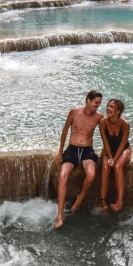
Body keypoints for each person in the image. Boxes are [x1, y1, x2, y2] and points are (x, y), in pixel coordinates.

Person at [54, 90, 104, 228]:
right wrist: (59, 152)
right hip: (72, 149)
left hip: (87, 151)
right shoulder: (74, 112)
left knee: (91, 174)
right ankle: (60, 215)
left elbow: (108, 132)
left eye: (99, 103)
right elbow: (65, 131)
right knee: (63, 176)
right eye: (96, 102)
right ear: (88, 100)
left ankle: (79, 199)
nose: (97, 106)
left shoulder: (99, 117)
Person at [98, 99, 132, 213]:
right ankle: (102, 200)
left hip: (123, 150)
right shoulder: (102, 122)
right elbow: (105, 142)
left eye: (111, 107)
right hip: (109, 150)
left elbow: (123, 144)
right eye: (108, 106)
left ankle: (119, 202)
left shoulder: (125, 124)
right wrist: (110, 157)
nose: (108, 108)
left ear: (118, 111)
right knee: (105, 167)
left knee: (117, 167)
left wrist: (115, 158)